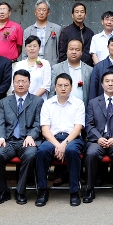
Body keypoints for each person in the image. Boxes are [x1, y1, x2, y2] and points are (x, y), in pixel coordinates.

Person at [0, 70, 44, 205]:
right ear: (13, 83)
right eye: (17, 81)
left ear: (29, 83)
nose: (20, 84)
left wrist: (31, 136)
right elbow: (0, 123)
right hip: (9, 140)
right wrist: (0, 138)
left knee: (31, 154)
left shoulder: (37, 101)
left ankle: (20, 191)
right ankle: (2, 191)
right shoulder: (4, 101)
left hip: (27, 140)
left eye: (24, 81)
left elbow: (38, 123)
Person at [35, 73, 86, 207]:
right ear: (55, 87)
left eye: (66, 85)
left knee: (72, 151)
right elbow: (45, 130)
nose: (63, 88)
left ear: (71, 87)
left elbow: (78, 128)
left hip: (72, 138)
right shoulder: (47, 104)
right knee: (42, 151)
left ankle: (74, 191)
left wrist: (65, 144)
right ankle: (42, 190)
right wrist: (58, 145)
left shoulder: (78, 103)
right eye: (60, 85)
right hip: (53, 138)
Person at [83, 71, 113, 204]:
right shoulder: (93, 102)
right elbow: (89, 124)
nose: (110, 84)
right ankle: (89, 188)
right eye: (107, 81)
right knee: (91, 153)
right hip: (97, 140)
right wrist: (98, 138)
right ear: (102, 84)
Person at [51, 39, 93, 104]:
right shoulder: (56, 68)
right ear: (66, 51)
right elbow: (52, 91)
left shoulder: (89, 70)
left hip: (82, 107)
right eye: (71, 49)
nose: (74, 52)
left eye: (77, 50)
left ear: (81, 52)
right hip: (61, 107)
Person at [21, 0, 62, 64]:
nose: (41, 12)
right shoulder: (27, 31)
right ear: (35, 12)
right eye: (39, 10)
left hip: (51, 64)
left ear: (48, 12)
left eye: (44, 10)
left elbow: (60, 50)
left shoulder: (56, 29)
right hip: (33, 64)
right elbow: (24, 52)